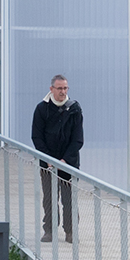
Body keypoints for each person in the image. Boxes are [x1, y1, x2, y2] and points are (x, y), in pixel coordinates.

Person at [31, 74, 83, 240]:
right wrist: (48, 159)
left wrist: (65, 160)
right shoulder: (41, 109)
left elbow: (78, 139)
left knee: (69, 199)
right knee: (49, 198)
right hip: (47, 163)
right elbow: (37, 137)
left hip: (69, 163)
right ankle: (50, 230)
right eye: (59, 88)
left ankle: (71, 232)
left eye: (65, 88)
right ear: (51, 89)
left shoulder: (75, 109)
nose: (63, 91)